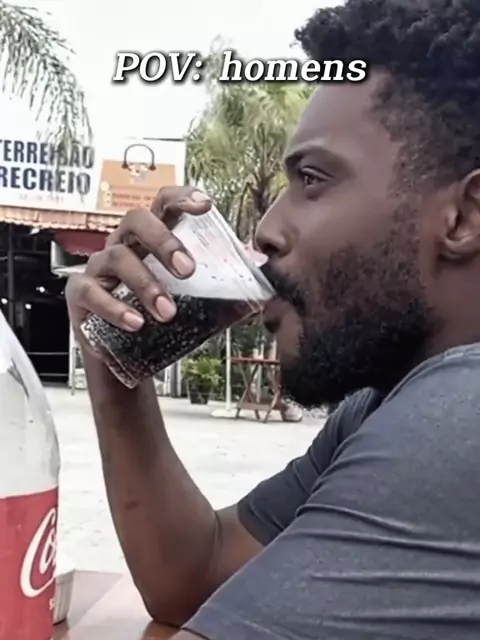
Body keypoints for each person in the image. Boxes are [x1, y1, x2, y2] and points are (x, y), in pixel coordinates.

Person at [65, 0, 480, 637]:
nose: (265, 228)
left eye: (313, 179)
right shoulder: (381, 403)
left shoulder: (461, 413)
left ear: (464, 217)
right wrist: (114, 358)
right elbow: (194, 577)